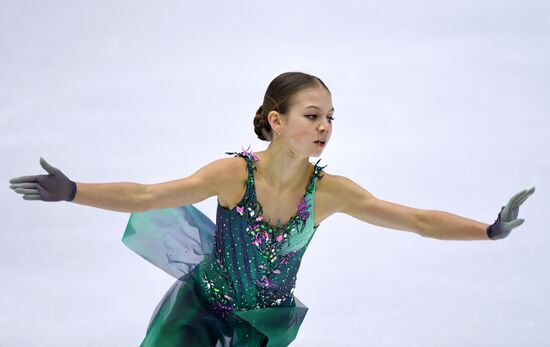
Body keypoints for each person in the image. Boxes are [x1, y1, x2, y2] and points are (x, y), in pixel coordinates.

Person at [9, 71, 535, 347]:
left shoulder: (331, 192)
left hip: (261, 326)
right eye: (312, 115)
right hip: (198, 311)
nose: (325, 126)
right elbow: (149, 196)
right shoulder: (234, 175)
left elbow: (416, 220)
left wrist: (488, 230)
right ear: (275, 120)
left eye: (330, 116)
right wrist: (73, 190)